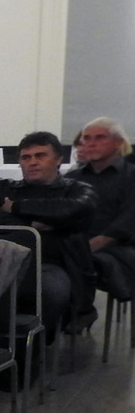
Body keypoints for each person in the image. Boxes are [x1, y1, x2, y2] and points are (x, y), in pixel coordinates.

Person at [0, 130, 98, 334]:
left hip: (52, 265)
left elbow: (74, 209)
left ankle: (35, 344)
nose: (32, 162)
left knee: (49, 291)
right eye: (26, 157)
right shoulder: (2, 188)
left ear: (58, 159)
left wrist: (16, 207)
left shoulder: (77, 190)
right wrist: (31, 223)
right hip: (1, 261)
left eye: (40, 156)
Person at [70, 117, 135, 299]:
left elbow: (128, 220)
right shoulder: (72, 178)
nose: (91, 143)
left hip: (120, 246)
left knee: (78, 262)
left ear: (118, 143)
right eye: (86, 138)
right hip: (76, 244)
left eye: (100, 137)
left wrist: (93, 245)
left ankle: (81, 309)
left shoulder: (131, 176)